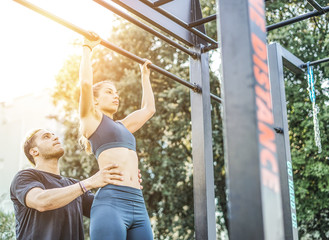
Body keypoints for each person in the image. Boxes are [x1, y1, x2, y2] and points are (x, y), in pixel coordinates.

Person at [79, 32, 156, 240]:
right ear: (95, 101)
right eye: (109, 92)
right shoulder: (92, 121)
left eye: (116, 93)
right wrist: (87, 48)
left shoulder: (123, 126)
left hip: (138, 203)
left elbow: (149, 109)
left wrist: (145, 76)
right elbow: (86, 85)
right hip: (111, 203)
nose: (116, 96)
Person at [10, 128, 141, 240]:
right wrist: (88, 183)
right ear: (34, 151)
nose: (55, 137)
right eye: (46, 137)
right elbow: (41, 201)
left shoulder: (73, 185)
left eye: (54, 135)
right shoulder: (25, 177)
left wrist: (127, 184)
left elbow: (109, 210)